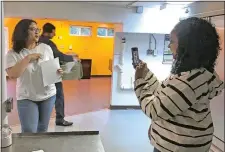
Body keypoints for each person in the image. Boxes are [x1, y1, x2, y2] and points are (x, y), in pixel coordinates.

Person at [134, 17, 224, 152]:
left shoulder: (188, 82)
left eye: (172, 41)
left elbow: (155, 110)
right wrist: (147, 74)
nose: (169, 46)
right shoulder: (194, 75)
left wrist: (139, 82)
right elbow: (166, 96)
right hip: (181, 143)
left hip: (176, 147)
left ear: (187, 45)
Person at [5, 19, 63, 133]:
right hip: (27, 97)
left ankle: (39, 150)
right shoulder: (13, 53)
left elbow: (50, 68)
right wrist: (29, 58)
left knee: (42, 130)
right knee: (29, 132)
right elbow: (13, 75)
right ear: (22, 32)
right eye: (32, 29)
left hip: (48, 95)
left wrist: (57, 71)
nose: (37, 32)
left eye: (38, 29)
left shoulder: (46, 48)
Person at [39, 23, 77, 126]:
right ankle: (60, 119)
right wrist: (72, 58)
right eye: (54, 31)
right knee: (59, 95)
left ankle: (39, 119)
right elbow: (58, 55)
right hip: (51, 72)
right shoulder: (48, 43)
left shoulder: (37, 41)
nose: (55, 34)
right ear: (49, 31)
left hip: (38, 73)